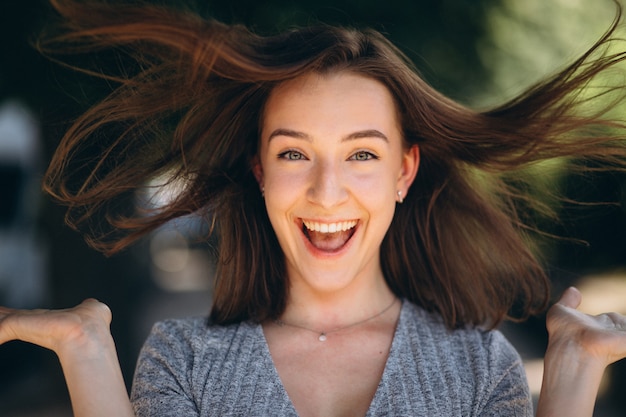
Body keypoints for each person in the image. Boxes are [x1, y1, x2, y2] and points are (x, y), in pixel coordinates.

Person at [1, 0, 626, 415]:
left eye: (361, 156)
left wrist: (573, 372)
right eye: (295, 154)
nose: (327, 193)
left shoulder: (478, 365)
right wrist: (86, 355)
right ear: (261, 171)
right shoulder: (183, 360)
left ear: (404, 172)